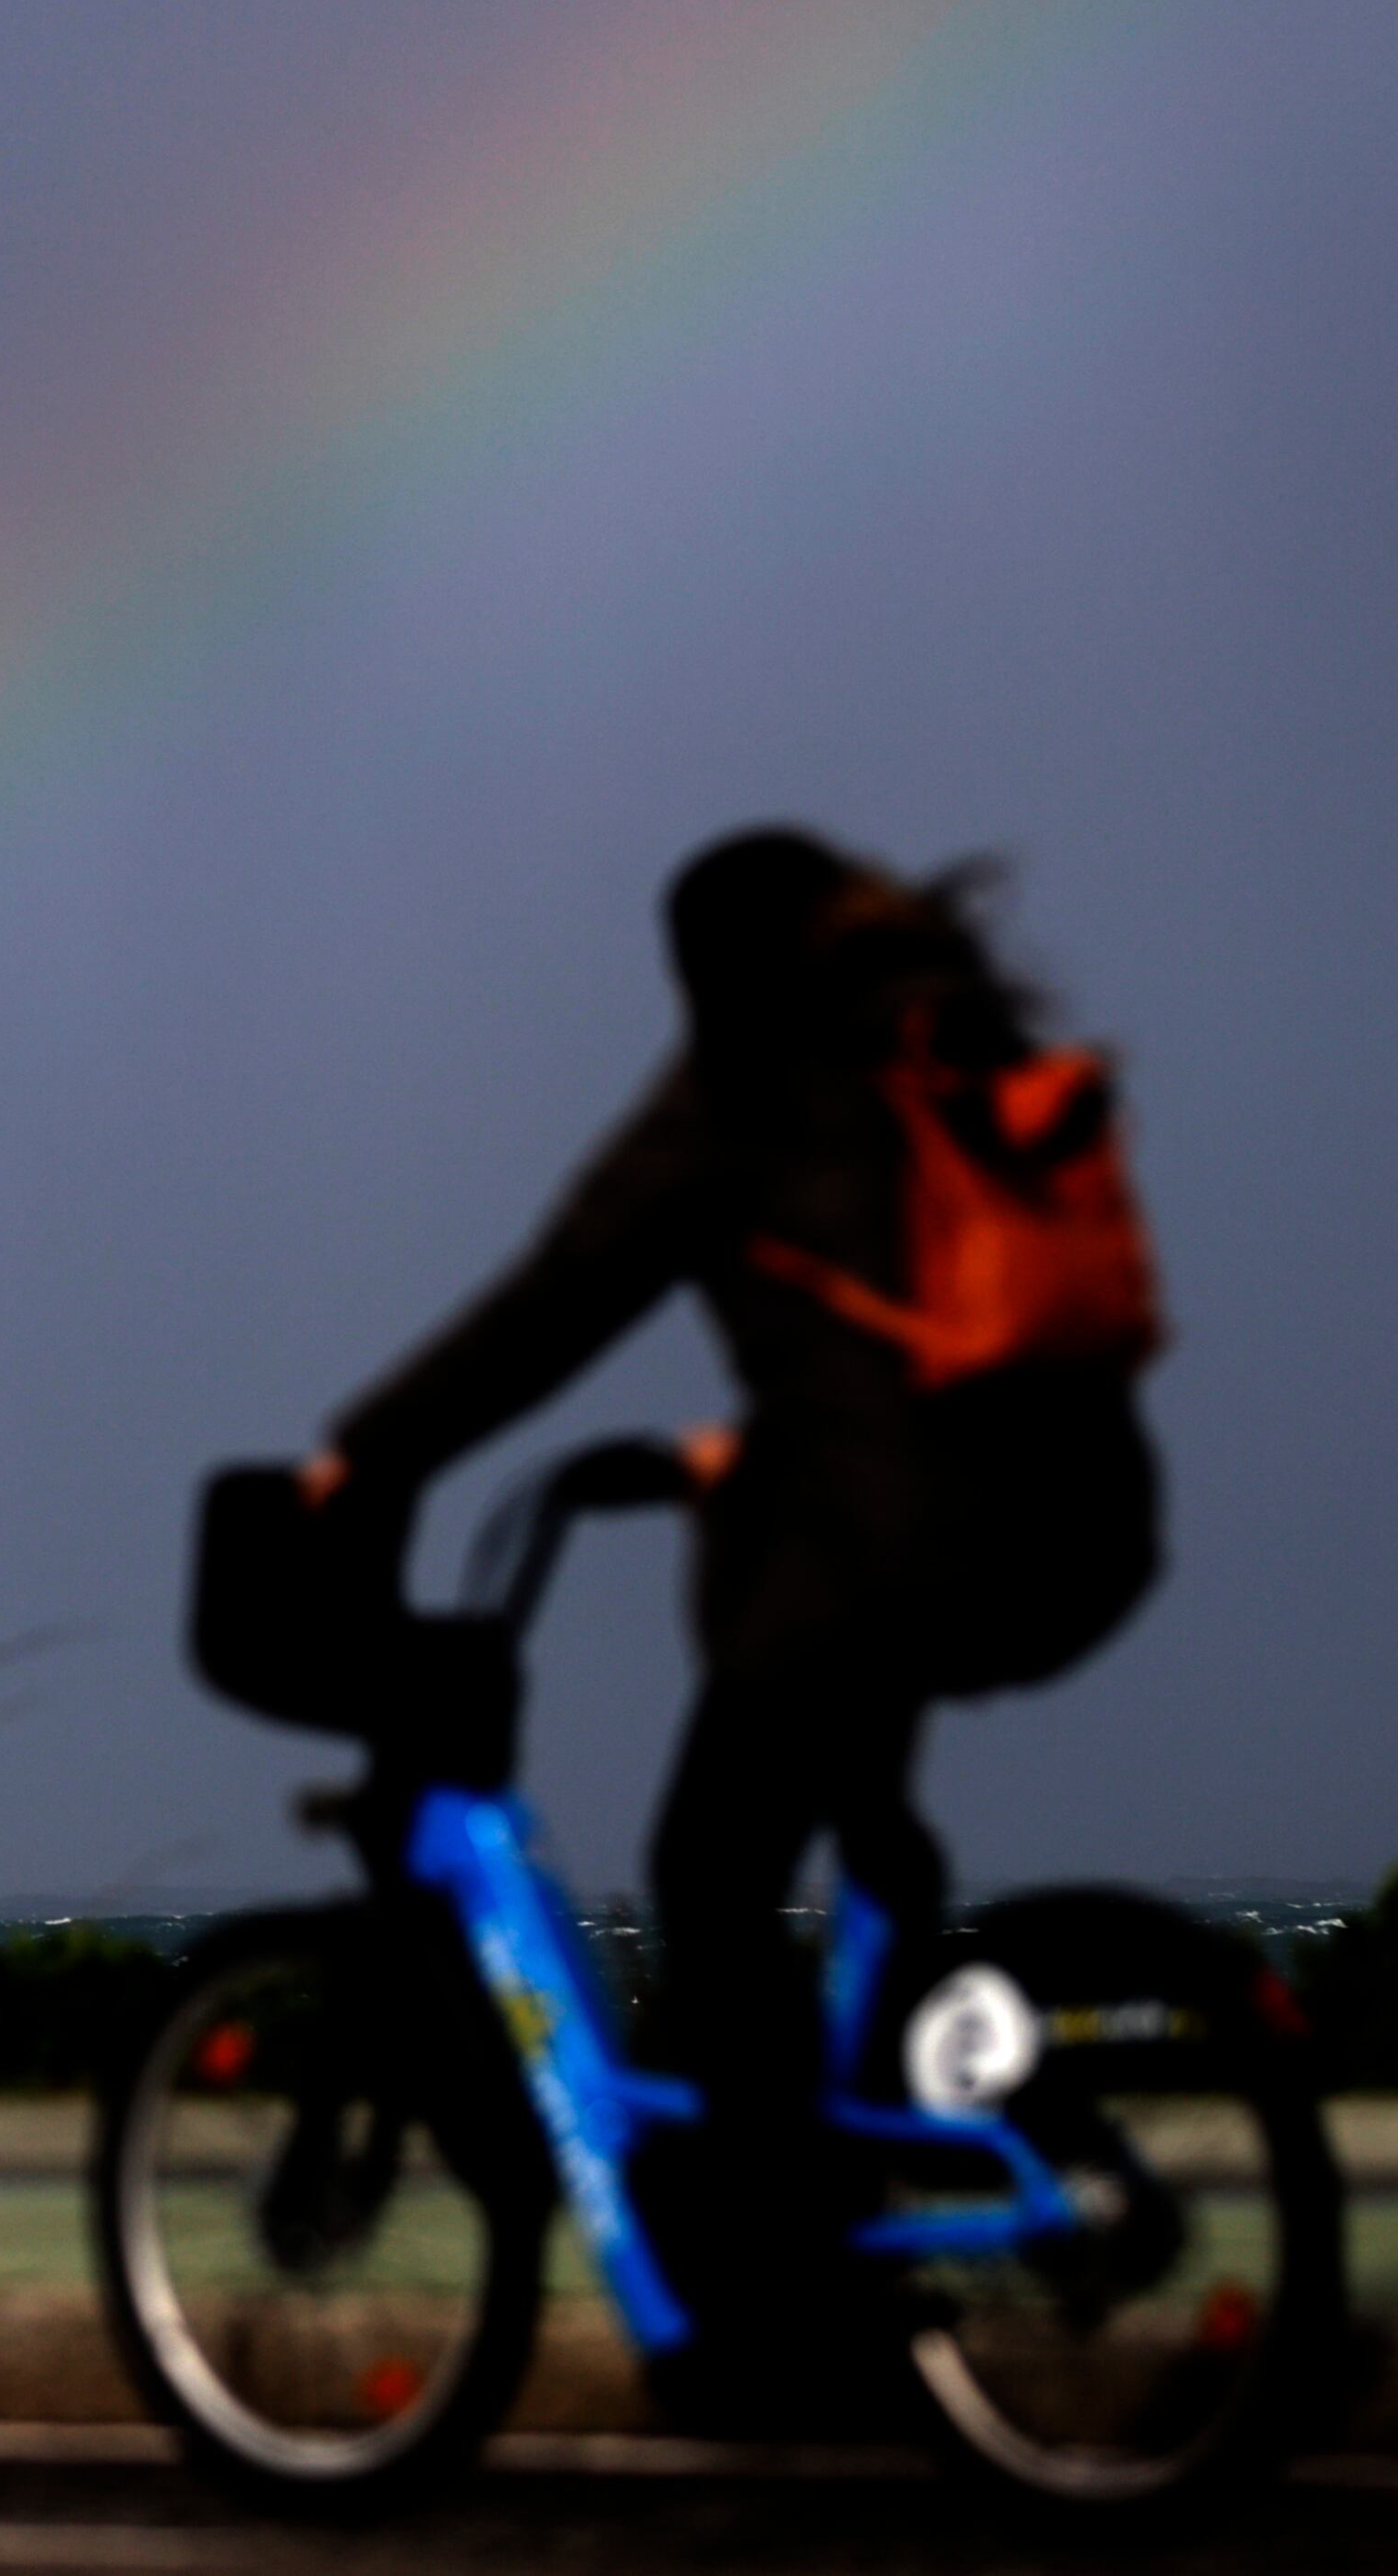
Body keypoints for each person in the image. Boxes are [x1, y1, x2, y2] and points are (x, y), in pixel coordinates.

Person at [291, 827, 1162, 2362]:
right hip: (1080, 1523)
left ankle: (789, 2287)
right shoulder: (946, 1037)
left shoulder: (740, 1088)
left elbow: (555, 1301)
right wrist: (752, 1447)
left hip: (898, 1550)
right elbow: (918, 1326)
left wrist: (368, 1450)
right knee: (859, 1823)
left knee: (710, 1863)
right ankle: (1000, 2111)